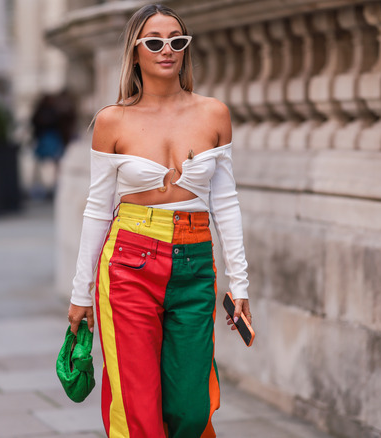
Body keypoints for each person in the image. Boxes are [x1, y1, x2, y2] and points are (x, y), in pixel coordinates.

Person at [67, 4, 251, 437]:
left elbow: (225, 202)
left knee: (191, 404)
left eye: (177, 41)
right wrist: (82, 295)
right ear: (136, 51)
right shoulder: (113, 120)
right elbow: (97, 209)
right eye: (154, 42)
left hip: (194, 262)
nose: (167, 50)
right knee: (137, 403)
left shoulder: (214, 114)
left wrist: (239, 283)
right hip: (129, 262)